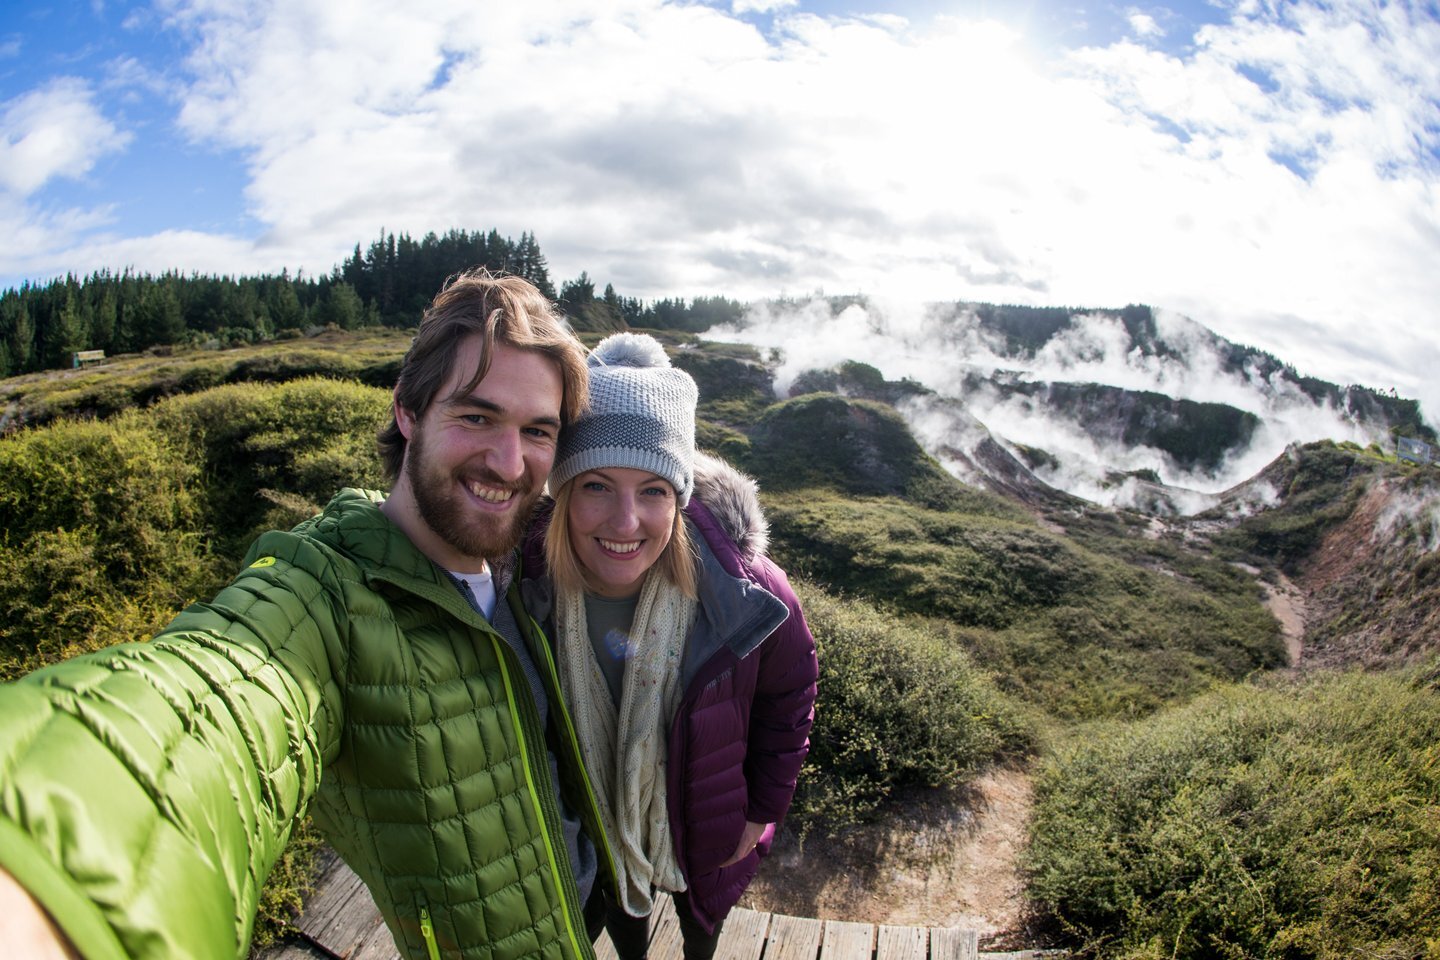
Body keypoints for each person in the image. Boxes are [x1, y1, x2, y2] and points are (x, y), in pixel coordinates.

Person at [0, 270, 606, 960]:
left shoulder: (529, 557)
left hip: (583, 906)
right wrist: (50, 870)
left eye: (537, 431)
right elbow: (209, 707)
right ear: (408, 412)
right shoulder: (328, 594)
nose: (509, 462)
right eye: (476, 417)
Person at [520, 333, 819, 960]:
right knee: (623, 918)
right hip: (593, 831)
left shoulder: (746, 591)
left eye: (653, 490)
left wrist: (761, 811)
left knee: (700, 931)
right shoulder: (522, 587)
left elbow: (790, 693)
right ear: (562, 491)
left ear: (679, 498)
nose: (625, 521)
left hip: (707, 831)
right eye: (596, 485)